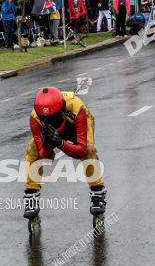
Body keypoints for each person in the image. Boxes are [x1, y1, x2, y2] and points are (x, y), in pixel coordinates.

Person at [23, 87, 106, 219]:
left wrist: (60, 143)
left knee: (89, 151)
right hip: (53, 134)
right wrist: (47, 145)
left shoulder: (77, 107)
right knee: (32, 152)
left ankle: (97, 192)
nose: (50, 123)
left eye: (53, 119)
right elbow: (46, 158)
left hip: (74, 125)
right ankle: (31, 194)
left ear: (62, 111)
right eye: (46, 120)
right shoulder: (35, 117)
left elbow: (81, 150)